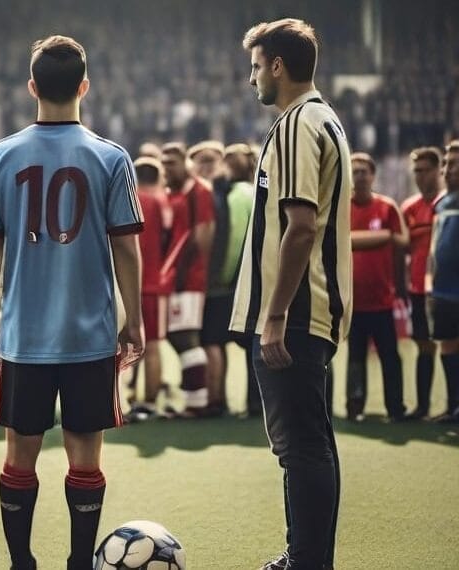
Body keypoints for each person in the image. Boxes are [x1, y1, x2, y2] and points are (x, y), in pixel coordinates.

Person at [0, 35, 144, 570]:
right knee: (85, 456)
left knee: (19, 455)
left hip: (24, 334)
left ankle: (22, 562)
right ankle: (79, 562)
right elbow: (127, 249)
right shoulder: (111, 157)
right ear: (85, 87)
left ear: (31, 87)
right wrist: (133, 320)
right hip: (89, 335)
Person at [230, 19, 352, 569]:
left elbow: (300, 225)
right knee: (311, 444)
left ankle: (307, 561)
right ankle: (303, 554)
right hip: (312, 309)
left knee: (300, 448)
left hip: (296, 312)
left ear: (277, 66)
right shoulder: (325, 119)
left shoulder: (299, 123)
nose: (252, 76)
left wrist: (275, 314)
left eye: (256, 65)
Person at [346, 152, 409, 422]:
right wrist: (379, 237)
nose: (360, 176)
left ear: (373, 175)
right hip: (352, 301)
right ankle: (354, 407)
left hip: (382, 299)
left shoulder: (387, 207)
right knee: (355, 358)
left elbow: (402, 243)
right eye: (355, 171)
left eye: (364, 171)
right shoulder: (340, 208)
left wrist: (400, 287)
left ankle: (395, 408)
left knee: (390, 357)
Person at [200, 143, 258, 417]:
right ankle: (254, 404)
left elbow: (233, 242)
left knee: (218, 340)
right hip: (247, 281)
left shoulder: (239, 194)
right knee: (248, 345)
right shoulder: (249, 190)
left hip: (230, 284)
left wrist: (220, 278)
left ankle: (224, 400)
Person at [160, 142, 216, 417]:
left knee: (184, 336)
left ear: (185, 163)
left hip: (189, 278)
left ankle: (198, 402)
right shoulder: (175, 192)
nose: (166, 168)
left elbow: (202, 235)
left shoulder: (199, 191)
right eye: (163, 163)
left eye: (171, 163)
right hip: (174, 276)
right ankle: (194, 398)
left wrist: (183, 274)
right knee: (176, 334)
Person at [401, 147, 445, 419]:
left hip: (447, 289)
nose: (419, 176)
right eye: (416, 171)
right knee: (423, 345)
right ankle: (423, 407)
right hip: (418, 289)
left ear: (438, 171)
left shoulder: (448, 204)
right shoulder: (409, 208)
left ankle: (453, 405)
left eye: (425, 170)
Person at [126, 156, 172, 422]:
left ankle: (124, 399)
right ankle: (150, 403)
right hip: (154, 283)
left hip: (125, 284)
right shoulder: (160, 203)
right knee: (152, 345)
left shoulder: (127, 200)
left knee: (123, 345)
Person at [428, 140, 459, 423]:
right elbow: (435, 247)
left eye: (455, 163)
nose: (450, 169)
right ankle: (453, 407)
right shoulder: (442, 203)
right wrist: (430, 281)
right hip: (444, 291)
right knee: (447, 346)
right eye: (448, 163)